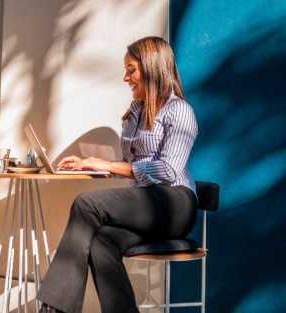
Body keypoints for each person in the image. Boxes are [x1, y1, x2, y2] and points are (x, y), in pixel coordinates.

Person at [37, 36, 199, 313]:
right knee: (102, 241)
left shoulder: (179, 111)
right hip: (145, 204)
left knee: (86, 203)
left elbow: (167, 170)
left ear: (151, 68)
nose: (126, 77)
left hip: (175, 204)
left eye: (131, 69)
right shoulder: (135, 112)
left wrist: (105, 164)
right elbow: (133, 164)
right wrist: (92, 164)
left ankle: (55, 309)